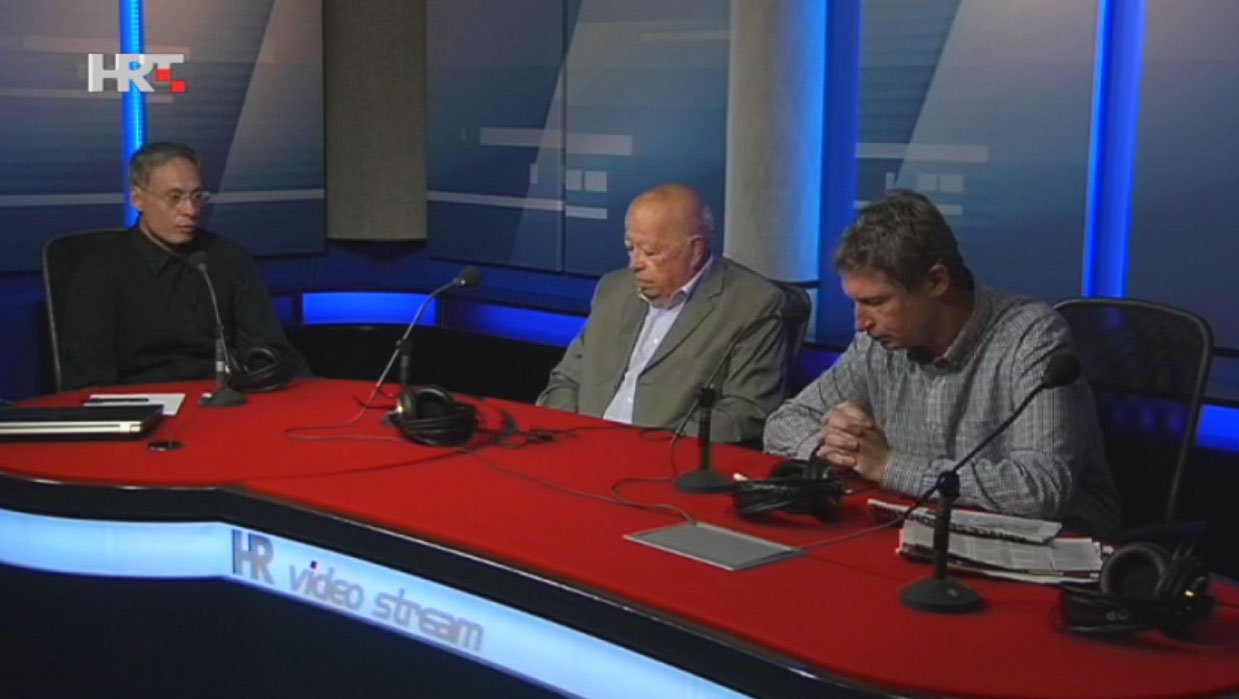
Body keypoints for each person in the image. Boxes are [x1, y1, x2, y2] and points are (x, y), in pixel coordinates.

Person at [763, 190, 1121, 535]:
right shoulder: (877, 344)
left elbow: (1040, 490)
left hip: (1053, 548)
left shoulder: (1030, 336)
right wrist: (842, 450)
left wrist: (888, 466)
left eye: (877, 302)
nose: (861, 323)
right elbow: (783, 424)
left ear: (936, 281)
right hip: (923, 530)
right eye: (856, 303)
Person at [537, 184, 788, 443]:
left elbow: (746, 411)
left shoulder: (752, 304)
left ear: (695, 250)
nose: (635, 264)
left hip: (664, 457)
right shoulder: (613, 290)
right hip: (580, 446)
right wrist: (566, 435)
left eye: (650, 253)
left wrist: (653, 449)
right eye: (630, 248)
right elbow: (565, 381)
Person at [59, 141, 306, 390]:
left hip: (226, 398)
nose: (190, 210)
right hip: (142, 402)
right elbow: (89, 383)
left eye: (197, 197)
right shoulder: (102, 271)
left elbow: (269, 353)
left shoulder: (229, 258)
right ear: (138, 199)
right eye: (174, 198)